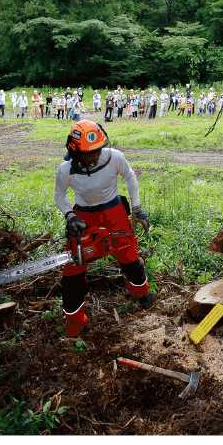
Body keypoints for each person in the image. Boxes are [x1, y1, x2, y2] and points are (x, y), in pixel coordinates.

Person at [53, 118, 151, 339]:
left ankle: (142, 294)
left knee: (128, 255)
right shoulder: (65, 169)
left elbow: (130, 177)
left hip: (114, 210)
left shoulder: (115, 157)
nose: (95, 156)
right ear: (75, 151)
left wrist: (137, 209)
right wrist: (70, 216)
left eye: (98, 150)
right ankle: (74, 322)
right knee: (74, 267)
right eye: (89, 153)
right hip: (83, 216)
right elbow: (59, 196)